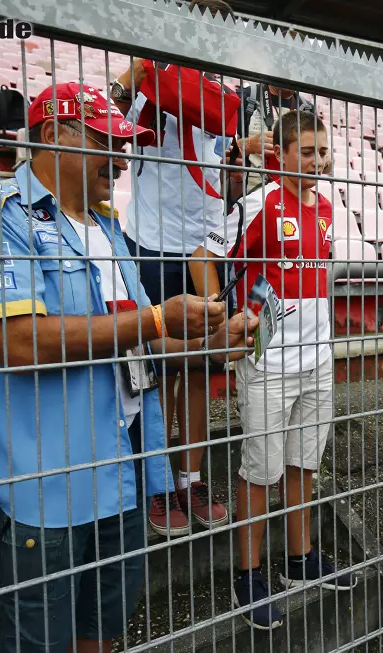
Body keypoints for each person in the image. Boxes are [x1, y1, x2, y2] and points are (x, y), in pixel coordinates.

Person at [0, 82, 255, 653]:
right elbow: (17, 343)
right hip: (43, 489)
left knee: (104, 634)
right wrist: (157, 320)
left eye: (124, 142)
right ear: (53, 136)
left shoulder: (111, 231)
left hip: (123, 476)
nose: (121, 157)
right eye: (106, 139)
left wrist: (212, 342)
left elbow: (140, 346)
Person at [192, 109, 354, 630]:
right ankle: (249, 573)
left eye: (323, 151)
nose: (318, 161)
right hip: (269, 364)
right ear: (278, 155)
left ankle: (300, 559)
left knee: (305, 464)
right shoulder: (257, 205)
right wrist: (222, 313)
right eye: (306, 151)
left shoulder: (327, 207)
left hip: (319, 361)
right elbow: (203, 253)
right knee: (260, 470)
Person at [107, 0, 243, 538]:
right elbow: (114, 121)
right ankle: (159, 484)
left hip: (204, 247)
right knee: (156, 371)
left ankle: (190, 479)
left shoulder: (220, 87)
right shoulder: (149, 75)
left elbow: (219, 160)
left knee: (199, 370)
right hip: (151, 244)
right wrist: (141, 65)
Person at [237, 82, 314, 194]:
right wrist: (249, 144)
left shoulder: (307, 109)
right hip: (249, 196)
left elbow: (327, 162)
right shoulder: (248, 96)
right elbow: (222, 150)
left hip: (291, 196)